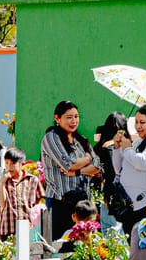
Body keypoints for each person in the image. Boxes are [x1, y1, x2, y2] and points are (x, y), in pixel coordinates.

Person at [40, 99, 101, 238]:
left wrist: (78, 171)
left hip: (82, 203)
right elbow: (68, 164)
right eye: (69, 117)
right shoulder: (51, 138)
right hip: (60, 201)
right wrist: (87, 159)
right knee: (61, 244)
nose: (73, 121)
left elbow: (97, 165)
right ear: (57, 118)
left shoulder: (81, 140)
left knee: (84, 244)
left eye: (76, 117)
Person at [0, 148, 42, 240]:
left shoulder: (32, 180)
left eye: (13, 163)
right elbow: (2, 204)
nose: (9, 166)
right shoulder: (4, 181)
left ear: (22, 164)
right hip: (7, 228)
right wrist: (2, 183)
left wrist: (34, 223)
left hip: (27, 228)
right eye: (7, 163)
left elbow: (38, 206)